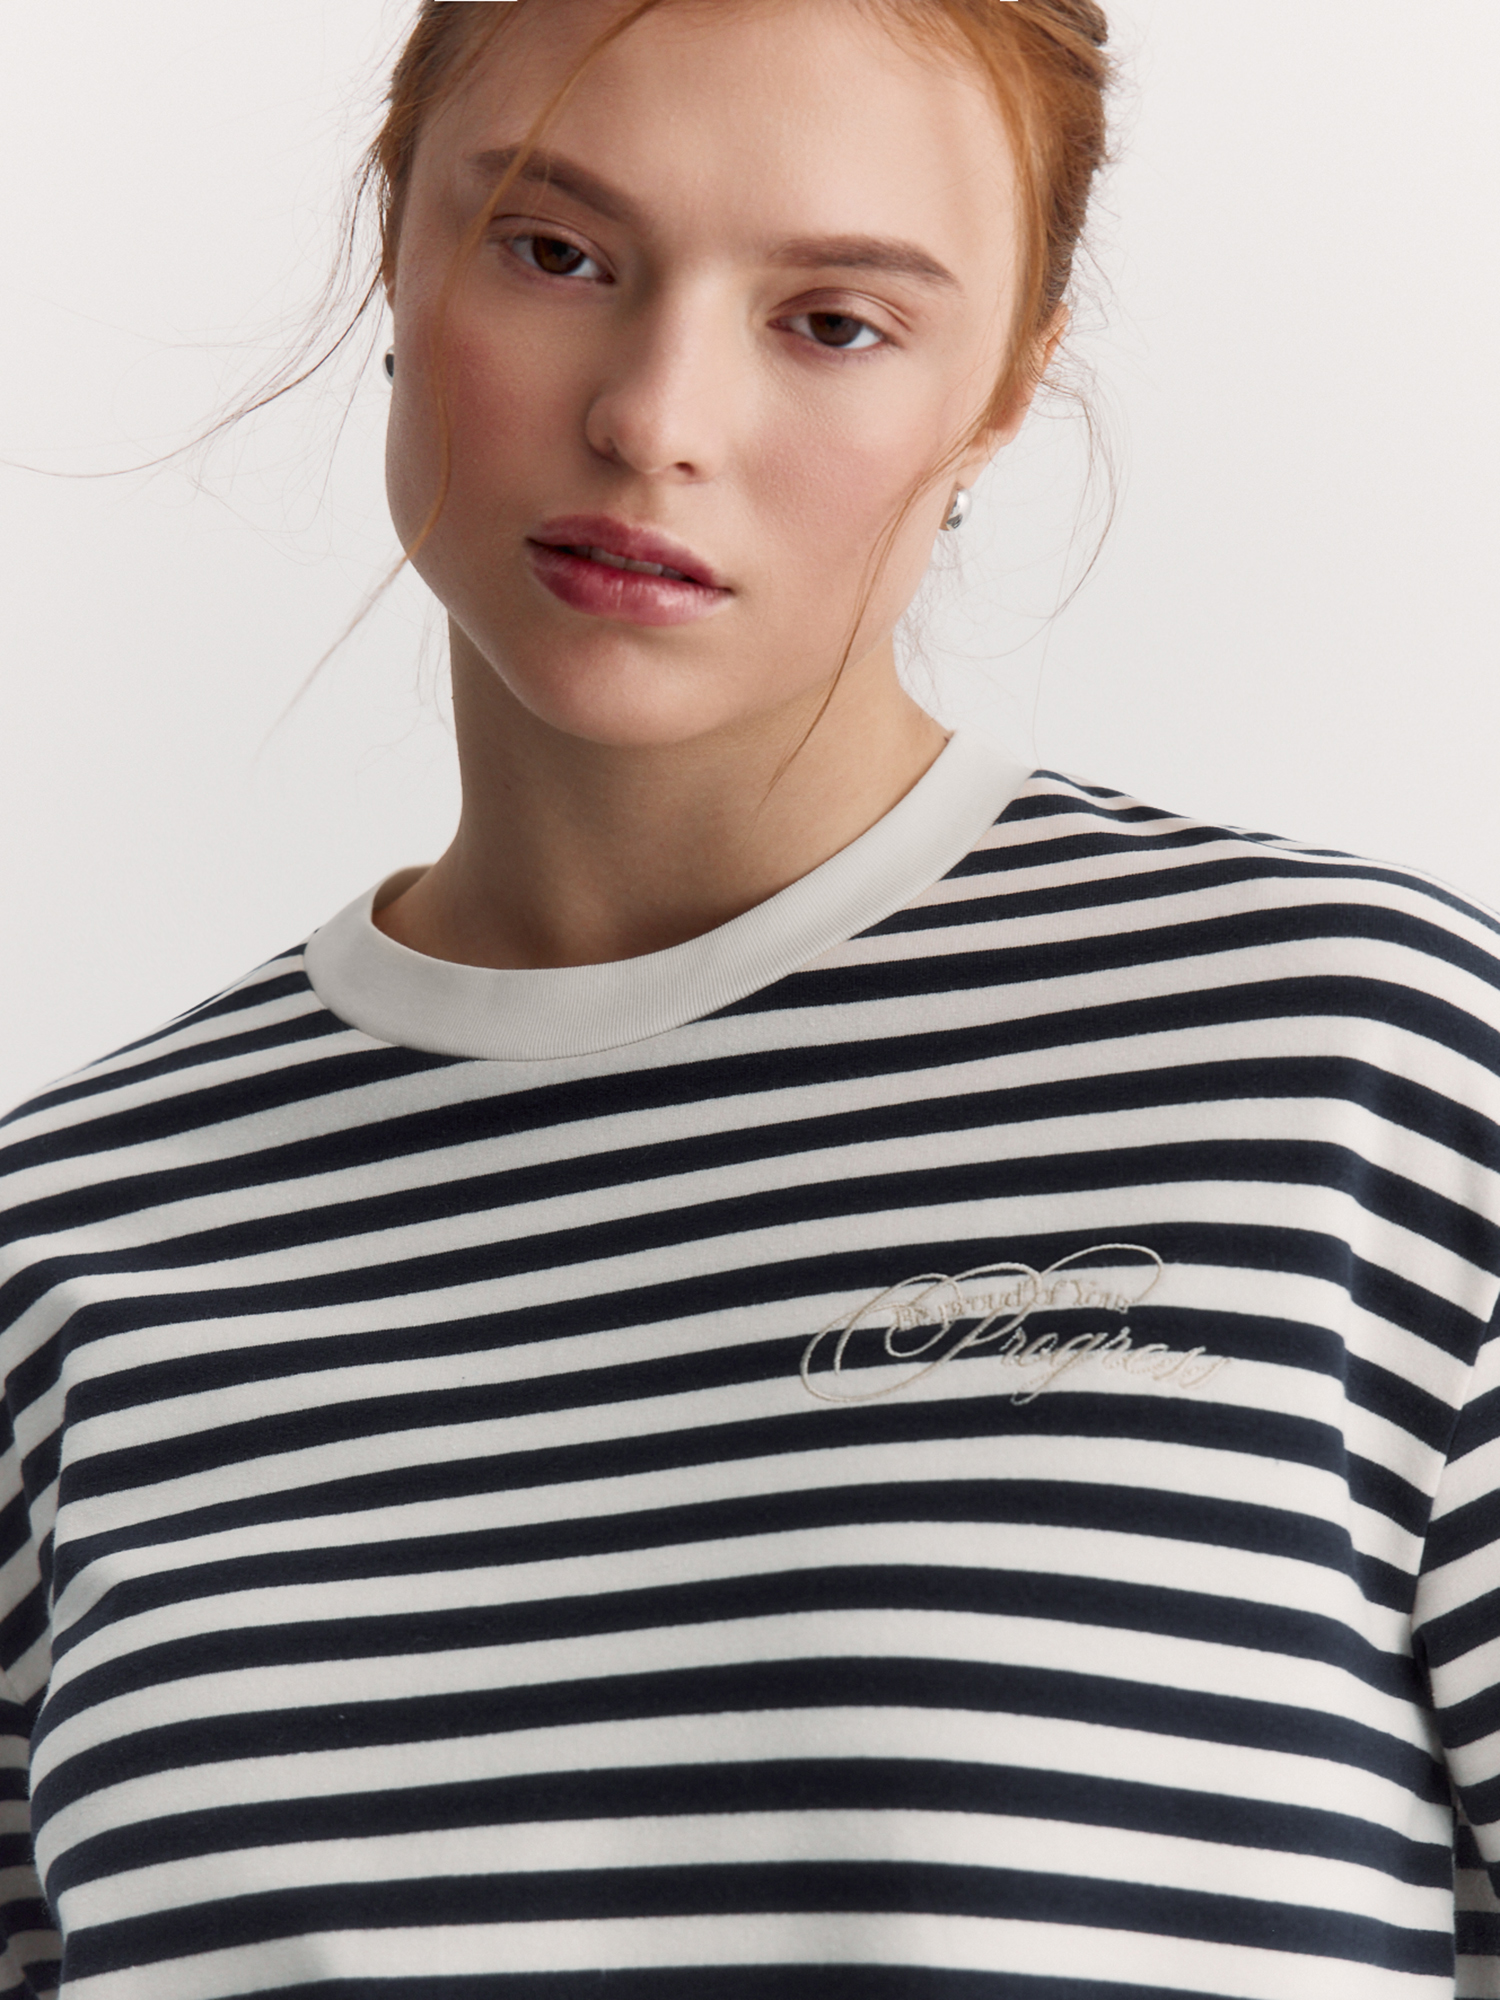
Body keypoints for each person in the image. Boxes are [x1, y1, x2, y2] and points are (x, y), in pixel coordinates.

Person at [1, 0, 1497, 1993]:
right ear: (395, 241)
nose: (654, 417)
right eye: (557, 251)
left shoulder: (1363, 1079)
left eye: (835, 322)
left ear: (1004, 390)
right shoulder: (70, 1240)